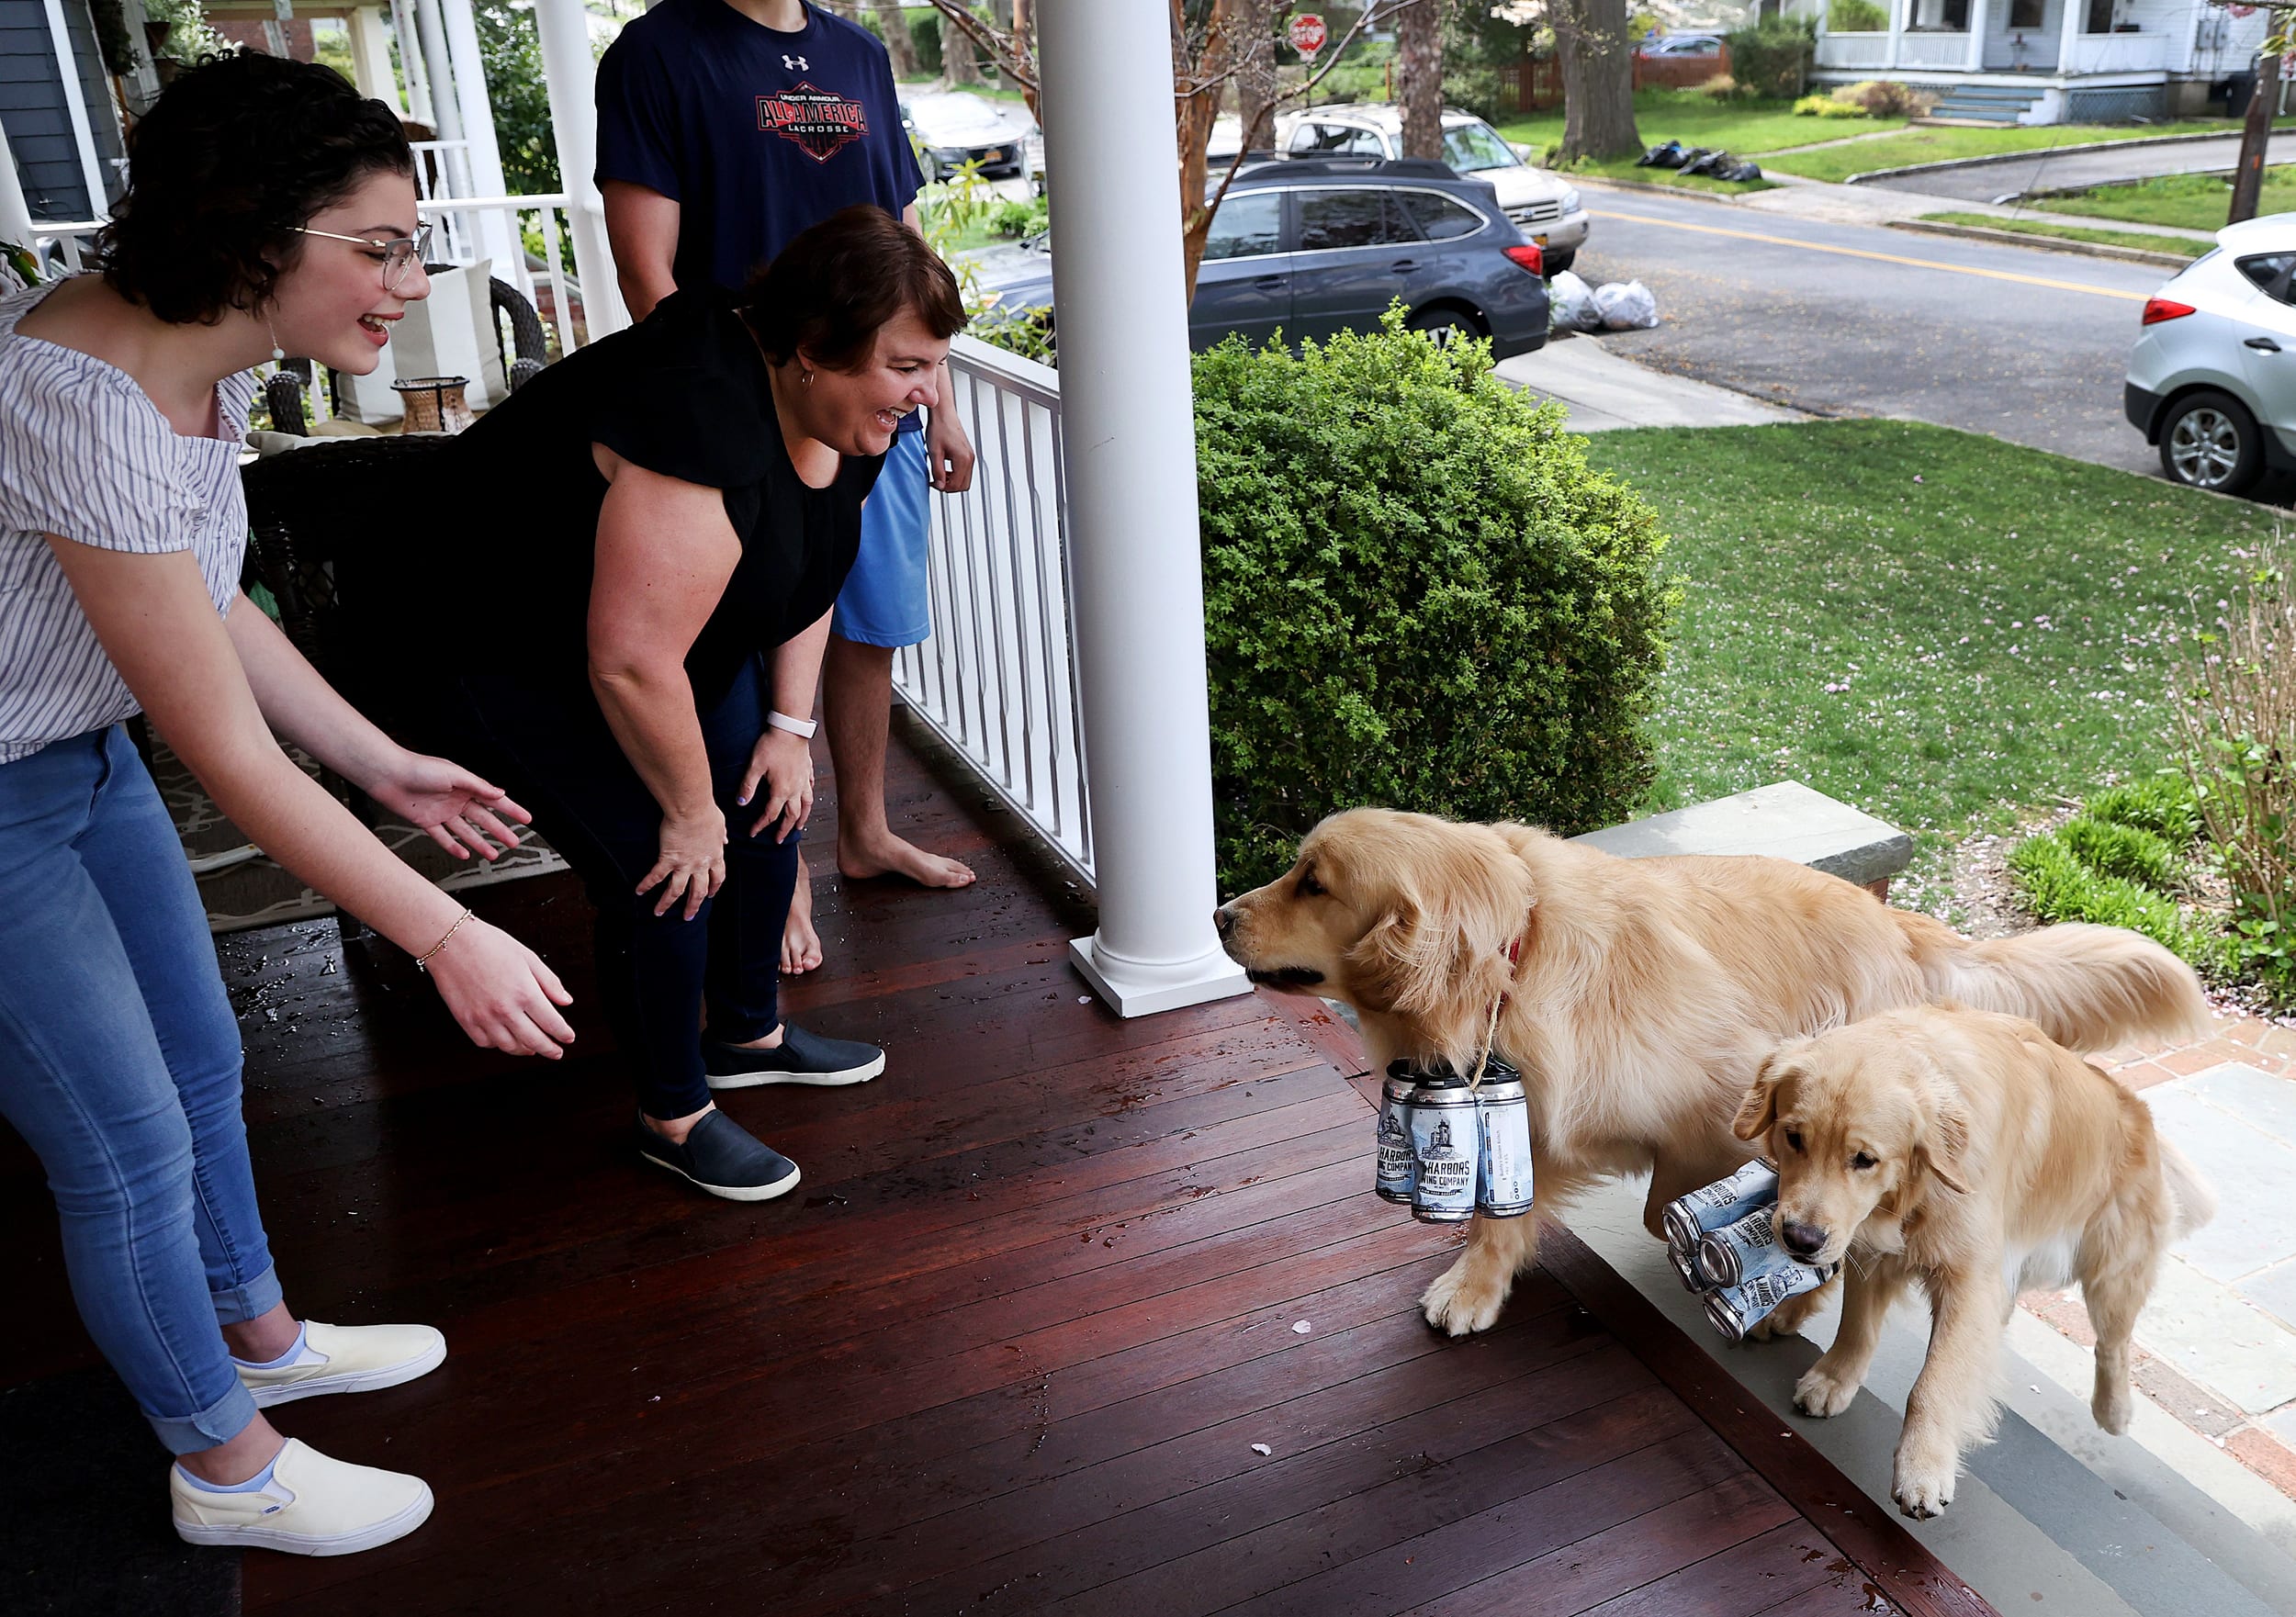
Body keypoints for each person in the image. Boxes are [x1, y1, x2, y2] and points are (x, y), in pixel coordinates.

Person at [0, 52, 577, 1556]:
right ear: (260, 228)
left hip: (84, 754)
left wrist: (380, 760)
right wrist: (444, 933)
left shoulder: (208, 354)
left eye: (413, 241)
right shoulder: (83, 400)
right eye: (379, 246)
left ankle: (260, 1335)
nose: (410, 279)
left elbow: (208, 604)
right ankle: (225, 1462)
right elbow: (237, 763)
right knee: (121, 1143)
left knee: (199, 1069)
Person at [342, 206, 966, 1202]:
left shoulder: (853, 411)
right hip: (474, 637)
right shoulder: (697, 413)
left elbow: (808, 568)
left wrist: (788, 729)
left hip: (633, 631)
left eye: (935, 363)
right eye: (908, 365)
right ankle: (673, 1114)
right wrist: (684, 811)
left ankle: (747, 1033)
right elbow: (630, 662)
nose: (929, 391)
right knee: (661, 860)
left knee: (766, 798)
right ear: (813, 350)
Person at [595, 0, 980, 983]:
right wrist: (719, 405)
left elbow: (903, 240)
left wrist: (933, 393)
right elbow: (647, 263)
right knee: (740, 637)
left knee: (863, 623)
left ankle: (863, 831)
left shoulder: (855, 52)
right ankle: (781, 871)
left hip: (866, 395)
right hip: (753, 400)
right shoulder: (660, 50)